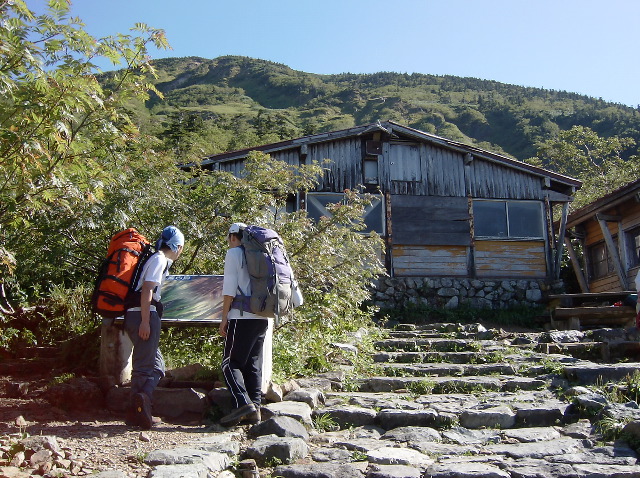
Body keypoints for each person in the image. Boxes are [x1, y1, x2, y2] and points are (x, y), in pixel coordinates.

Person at [124, 225, 184, 429]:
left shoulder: (157, 259)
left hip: (141, 314)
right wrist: (145, 321)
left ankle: (142, 403)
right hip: (143, 314)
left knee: (157, 366)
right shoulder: (159, 259)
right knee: (143, 367)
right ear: (177, 247)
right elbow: (147, 290)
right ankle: (138, 412)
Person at [218, 222, 269, 427]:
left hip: (241, 316)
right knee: (252, 365)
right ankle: (255, 410)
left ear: (232, 237)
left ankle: (243, 402)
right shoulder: (260, 253)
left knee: (229, 363)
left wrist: (224, 318)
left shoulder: (234, 254)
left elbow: (229, 288)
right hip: (262, 316)